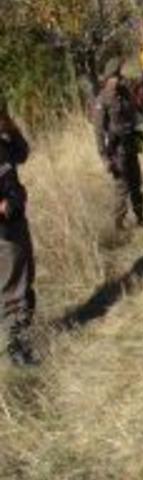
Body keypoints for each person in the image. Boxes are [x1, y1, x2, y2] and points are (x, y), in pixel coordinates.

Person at [0, 98, 39, 366]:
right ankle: (16, 349)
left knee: (26, 276)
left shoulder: (3, 140)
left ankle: (25, 337)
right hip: (3, 227)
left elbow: (23, 154)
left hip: (16, 217)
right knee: (14, 286)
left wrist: (12, 129)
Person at [93, 60, 143, 230]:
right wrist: (104, 158)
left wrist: (140, 142)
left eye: (120, 75)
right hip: (116, 150)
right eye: (116, 76)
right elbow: (99, 131)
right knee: (122, 187)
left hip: (131, 143)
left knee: (136, 182)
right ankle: (118, 225)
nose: (119, 78)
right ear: (108, 78)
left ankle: (140, 217)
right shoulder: (102, 100)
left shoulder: (125, 92)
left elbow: (135, 116)